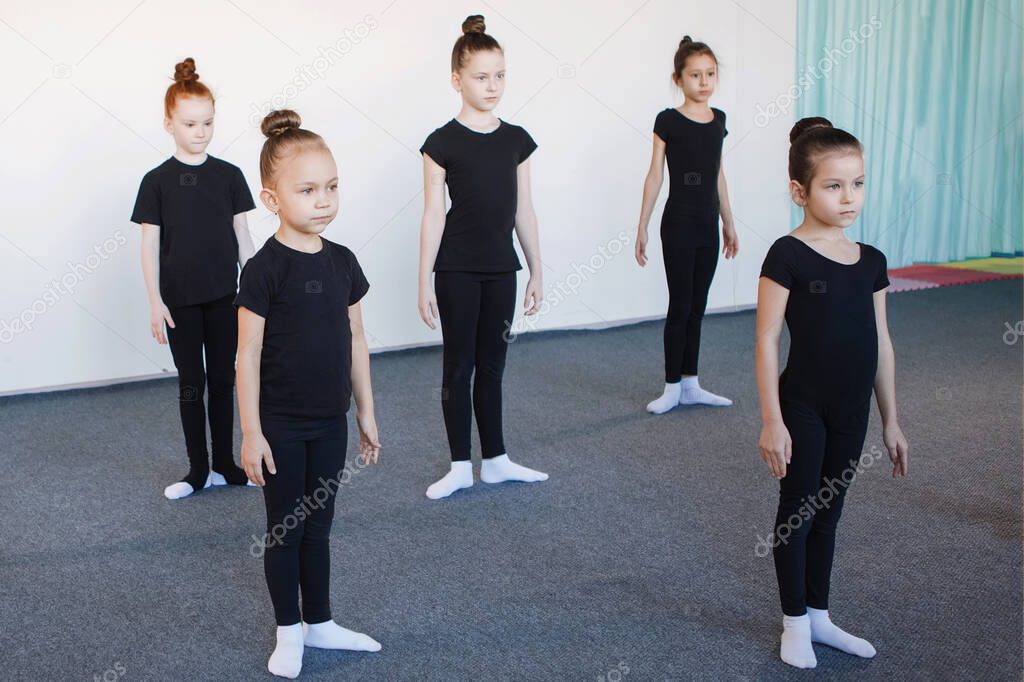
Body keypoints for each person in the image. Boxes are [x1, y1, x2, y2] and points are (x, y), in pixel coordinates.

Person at [755, 116, 909, 669]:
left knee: (831, 509)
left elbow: (882, 344)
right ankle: (793, 622)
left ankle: (819, 614)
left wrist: (890, 420)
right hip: (802, 406)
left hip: (852, 410)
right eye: (834, 185)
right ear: (800, 190)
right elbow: (767, 339)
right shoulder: (786, 255)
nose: (850, 197)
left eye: (858, 183)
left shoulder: (870, 261)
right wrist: (772, 420)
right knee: (798, 509)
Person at [236, 109, 382, 678]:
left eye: (332, 187)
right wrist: (250, 432)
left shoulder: (343, 261)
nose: (323, 200)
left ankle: (319, 620)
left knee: (318, 528)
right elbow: (246, 356)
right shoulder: (263, 269)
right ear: (272, 199)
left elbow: (358, 339)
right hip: (280, 426)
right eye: (307, 190)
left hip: (330, 421)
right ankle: (289, 631)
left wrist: (366, 411)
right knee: (286, 528)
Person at [418, 14, 549, 500]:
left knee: (493, 365)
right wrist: (423, 280)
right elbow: (433, 215)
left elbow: (524, 209)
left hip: (502, 269)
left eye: (499, 75)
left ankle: (494, 459)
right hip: (456, 269)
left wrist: (537, 268)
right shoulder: (441, 143)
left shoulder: (517, 139)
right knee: (459, 367)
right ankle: (458, 465)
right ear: (457, 79)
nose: (492, 86)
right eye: (480, 76)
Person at [130, 57, 257, 499]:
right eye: (189, 124)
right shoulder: (156, 182)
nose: (200, 132)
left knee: (225, 379)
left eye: (207, 123)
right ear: (169, 124)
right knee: (192, 383)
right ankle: (198, 470)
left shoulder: (229, 176)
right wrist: (154, 301)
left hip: (226, 297)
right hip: (180, 301)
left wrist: (257, 291)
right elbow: (148, 246)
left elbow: (244, 238)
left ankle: (225, 462)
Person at [635, 36, 739, 414]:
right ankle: (671, 386)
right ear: (678, 78)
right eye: (695, 75)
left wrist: (728, 221)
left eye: (710, 74)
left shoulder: (719, 121)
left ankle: (692, 383)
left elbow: (718, 175)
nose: (704, 81)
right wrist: (642, 225)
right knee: (680, 305)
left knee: (699, 305)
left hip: (707, 225)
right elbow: (654, 176)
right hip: (677, 224)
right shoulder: (668, 120)